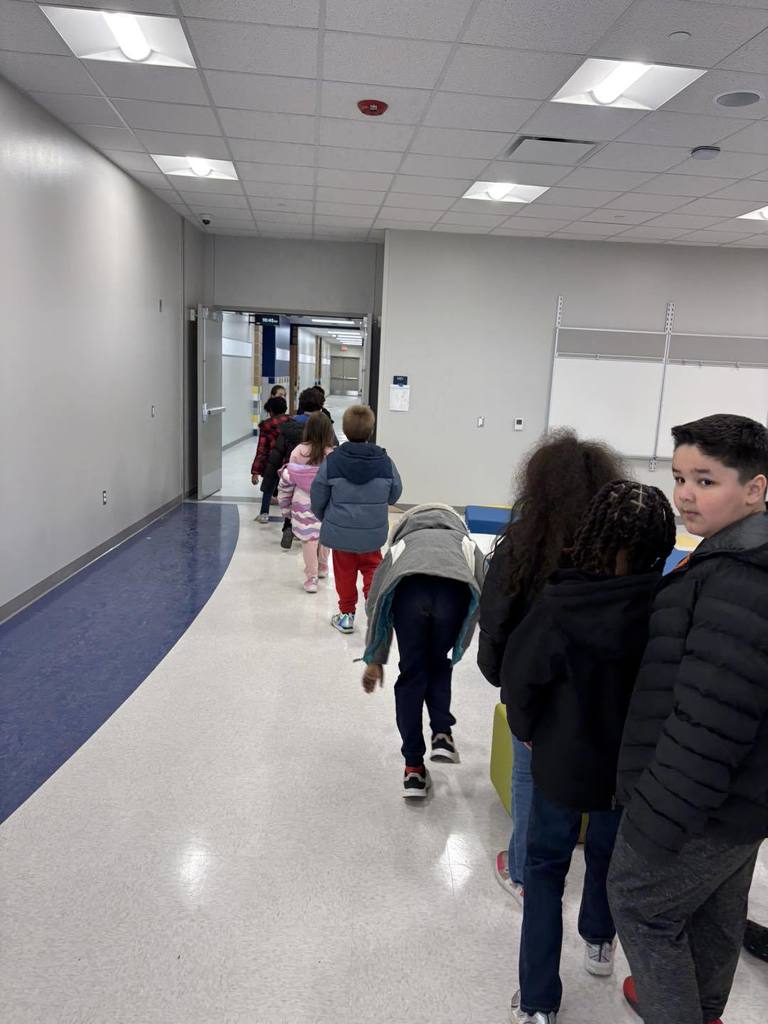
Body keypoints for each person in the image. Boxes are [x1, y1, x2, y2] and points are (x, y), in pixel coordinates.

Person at [608, 414, 768, 1024]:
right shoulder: (730, 555)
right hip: (742, 800)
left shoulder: (737, 578)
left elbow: (711, 718)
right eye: (679, 478)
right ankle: (703, 1010)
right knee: (714, 910)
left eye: (705, 480)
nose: (684, 495)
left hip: (703, 800)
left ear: (754, 488)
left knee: (640, 905)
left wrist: (656, 818)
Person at [503, 481, 676, 1024]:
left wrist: (528, 730)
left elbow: (520, 681)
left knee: (545, 869)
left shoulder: (560, 602)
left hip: (561, 760)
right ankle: (600, 943)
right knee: (607, 854)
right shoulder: (669, 605)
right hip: (631, 768)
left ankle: (537, 1004)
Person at [477, 431, 625, 905]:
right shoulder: (624, 550)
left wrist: (502, 680)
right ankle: (599, 913)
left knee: (529, 775)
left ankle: (523, 872)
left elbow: (496, 618)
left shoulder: (522, 545)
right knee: (606, 786)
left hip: (536, 694)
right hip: (607, 696)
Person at [360, 504, 485, 797]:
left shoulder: (403, 543)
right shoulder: (464, 541)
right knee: (439, 664)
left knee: (412, 674)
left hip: (410, 595)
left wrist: (375, 658)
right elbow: (491, 587)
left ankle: (413, 770)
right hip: (452, 596)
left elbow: (376, 600)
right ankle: (442, 734)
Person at [310, 404, 402, 635]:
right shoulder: (385, 461)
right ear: (370, 431)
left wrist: (327, 518)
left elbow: (318, 495)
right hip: (372, 533)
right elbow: (395, 493)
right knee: (373, 568)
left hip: (341, 534)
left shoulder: (333, 461)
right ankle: (376, 611)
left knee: (344, 573)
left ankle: (347, 616)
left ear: (344, 430)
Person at [263, 388, 330, 550]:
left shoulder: (289, 425)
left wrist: (269, 480)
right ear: (321, 405)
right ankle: (314, 534)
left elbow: (277, 454)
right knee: (314, 506)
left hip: (293, 473)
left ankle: (289, 527)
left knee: (293, 501)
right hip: (318, 475)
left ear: (301, 404)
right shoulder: (324, 424)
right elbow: (333, 448)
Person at [278, 412, 336, 593]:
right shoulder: (332, 454)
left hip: (302, 503)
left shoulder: (298, 452)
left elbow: (287, 481)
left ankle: (311, 578)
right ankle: (323, 567)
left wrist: (285, 507)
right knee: (324, 537)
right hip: (326, 502)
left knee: (308, 540)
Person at [251, 395, 289, 524]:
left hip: (273, 462)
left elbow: (261, 450)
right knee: (292, 489)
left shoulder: (266, 426)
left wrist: (255, 472)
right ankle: (292, 518)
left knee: (268, 488)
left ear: (271, 411)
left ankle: (264, 514)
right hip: (289, 461)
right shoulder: (292, 422)